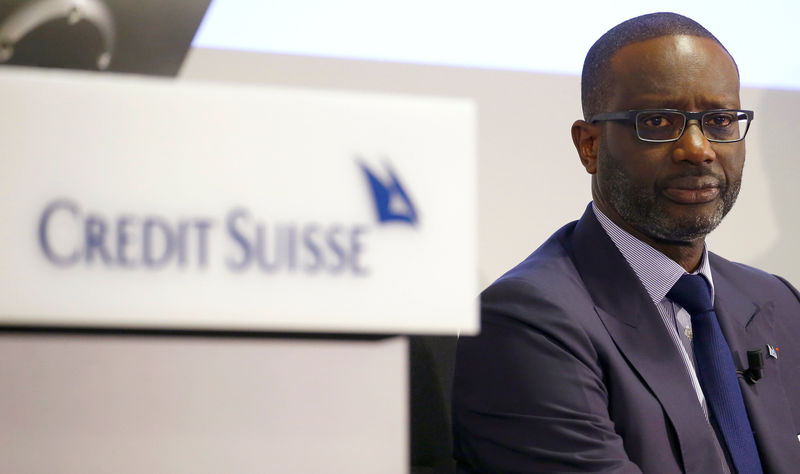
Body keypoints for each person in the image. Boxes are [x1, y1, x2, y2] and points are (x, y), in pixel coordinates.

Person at [452, 12, 800, 474]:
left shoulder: (776, 302)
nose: (698, 148)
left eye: (719, 120)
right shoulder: (524, 322)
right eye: (657, 122)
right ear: (589, 146)